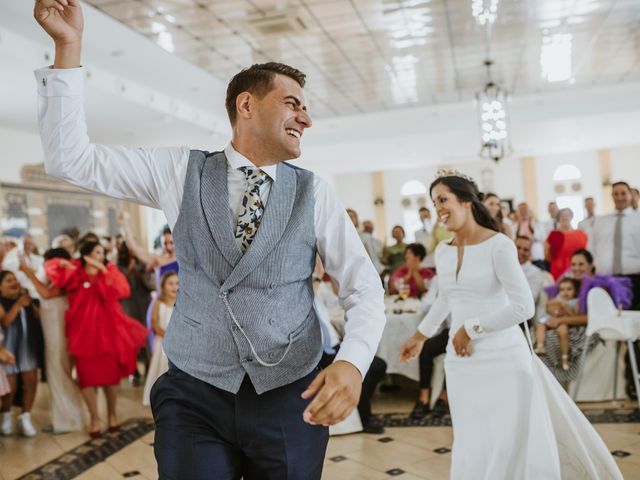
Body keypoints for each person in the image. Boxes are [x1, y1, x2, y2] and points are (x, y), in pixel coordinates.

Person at [34, 2, 385, 478]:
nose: (306, 118)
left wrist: (353, 362)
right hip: (195, 393)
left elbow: (364, 287)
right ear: (247, 104)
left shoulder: (314, 191)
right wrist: (67, 47)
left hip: (288, 394)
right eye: (293, 102)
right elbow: (70, 160)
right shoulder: (179, 171)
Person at [399, 170, 622, 479]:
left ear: (466, 202)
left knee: (507, 440)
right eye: (434, 202)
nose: (438, 209)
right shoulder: (442, 250)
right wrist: (420, 336)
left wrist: (470, 329)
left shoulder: (499, 245)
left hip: (502, 356)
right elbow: (446, 298)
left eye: (443, 200)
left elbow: (523, 306)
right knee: (471, 437)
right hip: (461, 361)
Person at [44, 241, 148, 437]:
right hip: (82, 334)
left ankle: (112, 415)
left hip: (107, 332)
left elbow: (122, 290)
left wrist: (103, 269)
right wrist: (64, 264)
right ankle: (94, 417)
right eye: (97, 253)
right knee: (86, 378)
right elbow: (51, 269)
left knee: (111, 377)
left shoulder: (108, 270)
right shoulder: (75, 271)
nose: (101, 256)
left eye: (102, 253)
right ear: (86, 255)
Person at [19, 248, 85, 433]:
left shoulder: (64, 273)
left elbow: (47, 294)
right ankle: (66, 418)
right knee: (58, 373)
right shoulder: (62, 274)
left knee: (59, 372)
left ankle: (68, 421)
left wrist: (28, 272)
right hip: (54, 330)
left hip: (58, 333)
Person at [0, 271, 43, 437]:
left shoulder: (27, 299)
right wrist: (18, 305)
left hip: (27, 347)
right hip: (7, 350)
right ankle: (6, 415)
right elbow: (5, 322)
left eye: (15, 279)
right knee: (10, 387)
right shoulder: (2, 303)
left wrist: (29, 302)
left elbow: (38, 316)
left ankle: (26, 416)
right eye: (9, 280)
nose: (14, 283)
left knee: (30, 382)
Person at [143, 271, 178, 406]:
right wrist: (166, 335)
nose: (174, 287)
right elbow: (154, 322)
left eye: (177, 283)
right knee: (162, 367)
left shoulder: (181, 302)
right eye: (170, 284)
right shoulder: (158, 302)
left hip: (177, 342)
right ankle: (158, 396)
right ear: (162, 286)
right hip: (162, 342)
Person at [535, 277, 581, 371]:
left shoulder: (575, 301)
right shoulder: (557, 299)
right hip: (551, 319)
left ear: (575, 291)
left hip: (563, 321)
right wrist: (556, 304)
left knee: (563, 332)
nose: (565, 292)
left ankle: (564, 357)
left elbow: (574, 315)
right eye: (562, 289)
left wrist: (566, 306)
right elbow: (548, 306)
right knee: (540, 324)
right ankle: (540, 345)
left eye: (569, 289)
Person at [545, 208, 588, 280]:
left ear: (571, 217)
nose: (565, 217)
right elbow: (547, 256)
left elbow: (585, 253)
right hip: (558, 270)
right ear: (558, 218)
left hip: (578, 269)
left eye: (567, 215)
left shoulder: (580, 234)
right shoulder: (553, 235)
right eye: (562, 215)